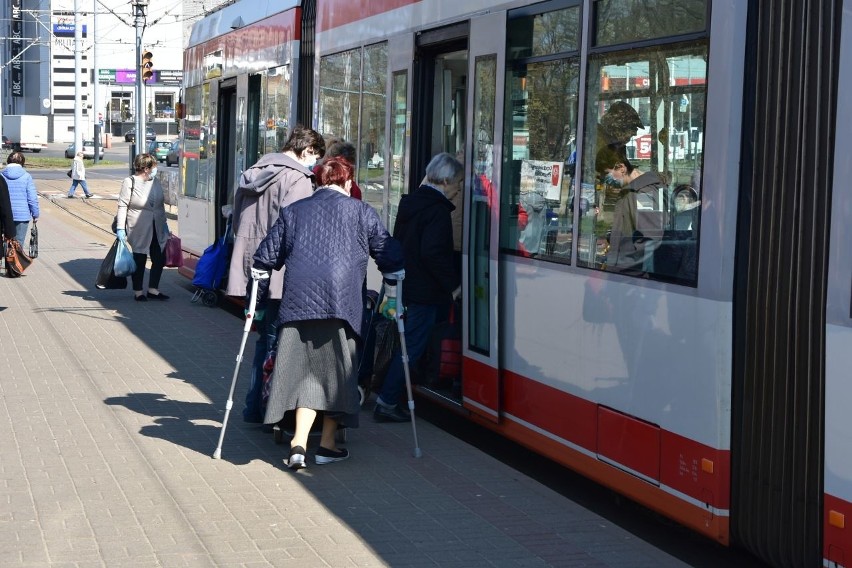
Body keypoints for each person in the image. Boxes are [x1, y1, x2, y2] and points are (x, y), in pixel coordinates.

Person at [251, 157, 404, 469]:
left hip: (297, 306)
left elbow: (264, 259)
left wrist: (256, 302)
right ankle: (327, 446)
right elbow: (389, 254)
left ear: (318, 182)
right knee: (336, 376)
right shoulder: (362, 212)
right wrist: (393, 281)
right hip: (342, 306)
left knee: (306, 374)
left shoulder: (294, 212)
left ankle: (297, 444)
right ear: (348, 183)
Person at [226, 125, 326, 424]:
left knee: (263, 340)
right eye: (315, 157)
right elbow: (298, 230)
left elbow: (235, 222)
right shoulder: (297, 178)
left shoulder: (254, 171)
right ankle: (272, 410)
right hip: (282, 271)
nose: (314, 164)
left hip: (252, 269)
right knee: (279, 342)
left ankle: (254, 406)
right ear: (307, 150)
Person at [374, 152, 462, 422]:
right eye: (457, 183)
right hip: (425, 292)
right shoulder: (437, 211)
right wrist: (453, 285)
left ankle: (385, 395)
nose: (458, 189)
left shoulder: (412, 203)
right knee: (411, 347)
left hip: (408, 284)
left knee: (406, 343)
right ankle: (387, 401)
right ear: (445, 181)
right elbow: (433, 253)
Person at [595, 145, 666, 276]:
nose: (605, 180)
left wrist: (623, 268)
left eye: (607, 173)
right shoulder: (630, 191)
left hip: (631, 277)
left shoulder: (643, 192)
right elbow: (631, 229)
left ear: (621, 168)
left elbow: (649, 242)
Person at [115, 153, 170, 301]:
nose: (154, 169)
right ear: (146, 168)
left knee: (159, 258)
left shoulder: (156, 182)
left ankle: (153, 289)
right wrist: (121, 228)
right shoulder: (129, 182)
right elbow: (122, 206)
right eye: (153, 167)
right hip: (139, 226)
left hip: (157, 226)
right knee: (139, 259)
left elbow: (160, 205)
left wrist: (165, 224)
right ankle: (138, 291)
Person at [2, 152, 39, 244]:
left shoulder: (1, 175)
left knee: (4, 241)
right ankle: (16, 257)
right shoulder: (26, 176)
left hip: (3, 215)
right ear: (22, 162)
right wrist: (35, 214)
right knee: (18, 243)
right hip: (22, 215)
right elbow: (32, 198)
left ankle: (6, 256)